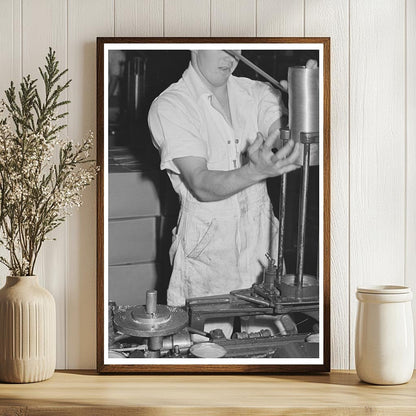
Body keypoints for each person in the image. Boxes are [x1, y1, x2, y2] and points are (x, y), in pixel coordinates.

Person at [148, 50, 301, 311]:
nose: (232, 56)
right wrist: (255, 171)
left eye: (237, 46)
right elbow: (200, 183)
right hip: (206, 254)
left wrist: (307, 106)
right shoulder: (172, 105)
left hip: (262, 247)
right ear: (195, 44)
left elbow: (301, 153)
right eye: (221, 45)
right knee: (207, 343)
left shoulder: (258, 93)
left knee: (272, 342)